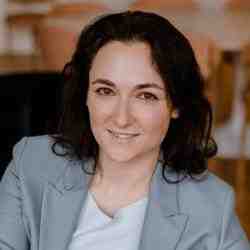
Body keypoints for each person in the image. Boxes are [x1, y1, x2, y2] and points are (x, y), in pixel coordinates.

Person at [0, 10, 249, 250]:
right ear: (85, 95)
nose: (121, 118)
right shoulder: (30, 164)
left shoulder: (211, 205)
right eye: (105, 91)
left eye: (145, 95)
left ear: (177, 105)